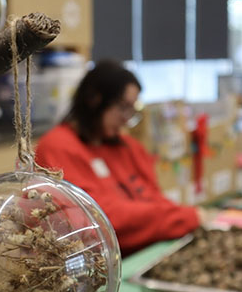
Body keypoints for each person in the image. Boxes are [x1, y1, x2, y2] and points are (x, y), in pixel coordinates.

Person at [35, 60, 201, 256]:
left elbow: (154, 199)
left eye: (132, 109)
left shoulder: (127, 146)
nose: (126, 118)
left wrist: (184, 216)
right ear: (94, 99)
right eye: (123, 107)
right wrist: (185, 217)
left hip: (146, 249)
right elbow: (98, 219)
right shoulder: (57, 146)